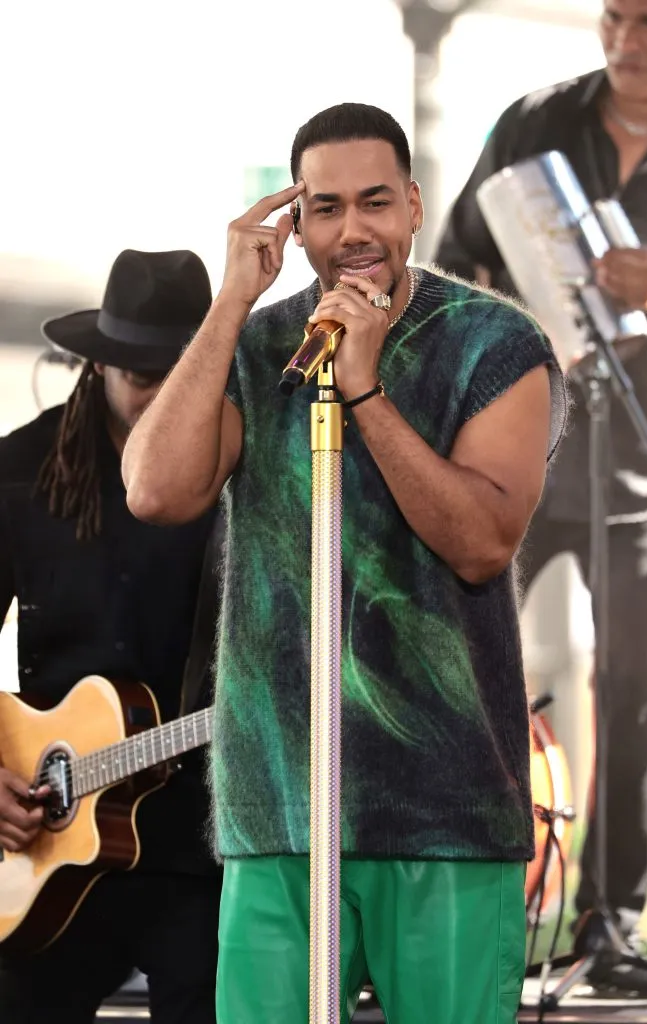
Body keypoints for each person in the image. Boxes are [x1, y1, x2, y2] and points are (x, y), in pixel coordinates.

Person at [122, 103, 567, 1024]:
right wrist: (231, 303)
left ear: (413, 207)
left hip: (443, 810)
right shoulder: (260, 344)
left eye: (375, 202)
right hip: (280, 806)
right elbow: (156, 491)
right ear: (296, 225)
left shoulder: (494, 344)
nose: (353, 230)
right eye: (325, 208)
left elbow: (481, 543)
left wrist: (364, 389)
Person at [435, 0, 647, 1001]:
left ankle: (608, 930)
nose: (626, 39)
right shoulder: (536, 120)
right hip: (515, 455)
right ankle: (450, 905)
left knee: (637, 697)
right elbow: (452, 260)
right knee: (456, 671)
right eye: (614, 16)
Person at [0, 249, 222, 1024]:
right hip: (48, 843)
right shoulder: (21, 468)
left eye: (182, 372)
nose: (162, 394)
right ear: (98, 365)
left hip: (201, 846)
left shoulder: (244, 472)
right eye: (141, 375)